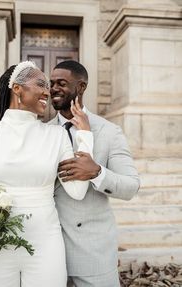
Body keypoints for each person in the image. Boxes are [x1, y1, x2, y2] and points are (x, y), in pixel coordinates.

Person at [0, 61, 94, 287]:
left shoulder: (57, 136)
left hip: (46, 244)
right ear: (17, 88)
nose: (48, 91)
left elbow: (77, 191)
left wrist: (85, 138)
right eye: (41, 84)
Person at [49, 60, 140, 287]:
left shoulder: (109, 132)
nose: (53, 89)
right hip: (49, 254)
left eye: (61, 83)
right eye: (51, 83)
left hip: (93, 255)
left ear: (81, 87)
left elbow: (131, 186)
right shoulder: (41, 132)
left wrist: (97, 172)